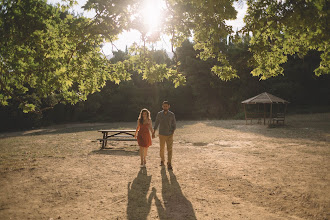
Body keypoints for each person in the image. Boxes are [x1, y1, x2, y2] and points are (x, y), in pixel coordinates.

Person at [152, 101, 176, 169]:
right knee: (162, 149)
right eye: (164, 106)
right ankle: (162, 160)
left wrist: (172, 132)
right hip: (162, 134)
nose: (165, 107)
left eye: (166, 106)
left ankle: (169, 163)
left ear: (169, 106)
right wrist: (153, 132)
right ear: (162, 106)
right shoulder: (159, 114)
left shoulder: (172, 114)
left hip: (169, 135)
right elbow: (156, 123)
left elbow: (174, 124)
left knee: (170, 149)